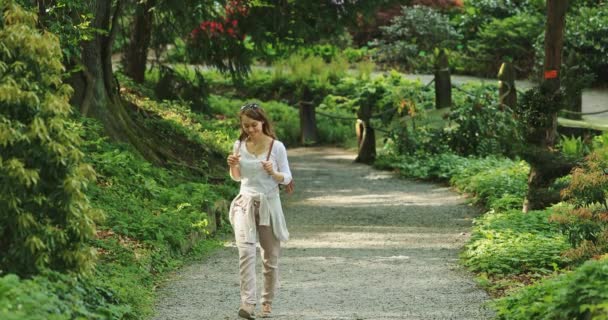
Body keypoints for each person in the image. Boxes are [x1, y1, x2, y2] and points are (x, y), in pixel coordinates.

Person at [226, 102, 293, 319]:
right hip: (244, 203)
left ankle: (267, 302)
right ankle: (248, 304)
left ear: (262, 122)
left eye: (254, 125)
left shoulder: (277, 147)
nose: (250, 130)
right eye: (246, 126)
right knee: (245, 253)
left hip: (269, 205)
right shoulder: (239, 145)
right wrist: (232, 165)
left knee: (270, 257)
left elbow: (287, 177)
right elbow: (237, 177)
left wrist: (274, 172)